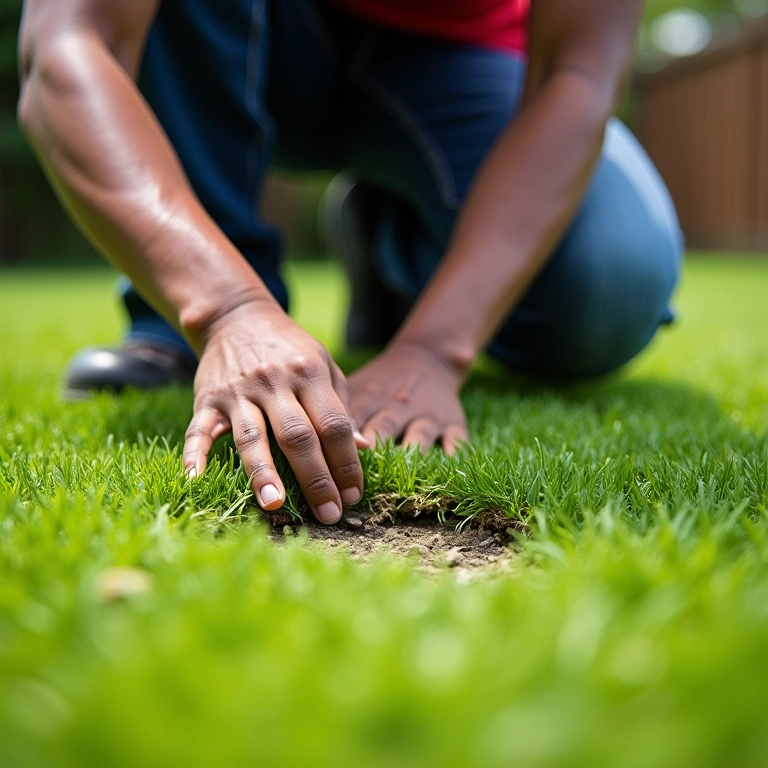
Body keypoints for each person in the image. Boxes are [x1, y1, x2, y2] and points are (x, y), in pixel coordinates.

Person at [18, 0, 682, 526]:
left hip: (455, 56)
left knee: (608, 282)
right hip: (248, 29)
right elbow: (70, 45)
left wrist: (435, 345)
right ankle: (175, 319)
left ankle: (389, 234)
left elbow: (581, 71)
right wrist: (227, 309)